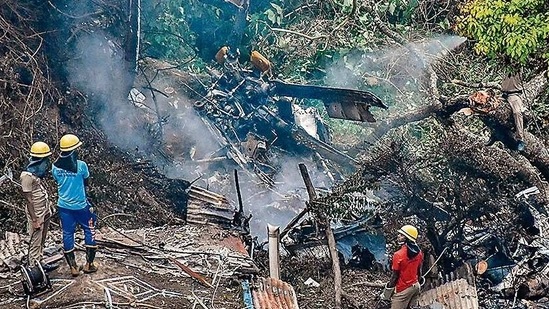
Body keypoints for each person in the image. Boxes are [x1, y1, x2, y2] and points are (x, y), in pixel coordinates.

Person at [51, 134, 97, 276]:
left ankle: (73, 267)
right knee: (89, 230)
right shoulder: (81, 165)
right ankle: (89, 264)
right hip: (81, 207)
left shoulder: (54, 167)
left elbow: (57, 181)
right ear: (73, 150)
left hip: (64, 207)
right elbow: (86, 182)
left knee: (68, 234)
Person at [20, 142, 53, 269]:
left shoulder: (35, 174)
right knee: (36, 239)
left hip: (44, 209)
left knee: (42, 238)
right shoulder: (26, 177)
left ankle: (40, 260)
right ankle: (34, 267)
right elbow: (29, 200)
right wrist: (34, 220)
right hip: (36, 212)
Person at [381, 225, 424, 309]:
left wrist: (386, 293)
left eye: (401, 235)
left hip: (403, 289)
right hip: (415, 286)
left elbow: (394, 277)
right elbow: (419, 271)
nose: (398, 236)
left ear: (406, 238)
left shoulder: (398, 255)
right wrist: (415, 283)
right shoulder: (419, 253)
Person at [501, 71, 525, 151]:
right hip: (504, 94)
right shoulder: (504, 62)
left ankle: (520, 139)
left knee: (517, 112)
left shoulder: (518, 64)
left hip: (514, 94)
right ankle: (494, 133)